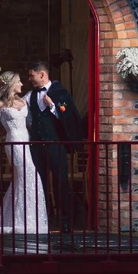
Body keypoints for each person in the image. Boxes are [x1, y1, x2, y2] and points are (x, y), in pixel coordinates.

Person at [0, 72, 48, 236]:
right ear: (12, 84)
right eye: (19, 81)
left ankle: (28, 220)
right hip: (14, 144)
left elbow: (29, 122)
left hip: (26, 143)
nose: (21, 83)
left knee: (25, 180)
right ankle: (22, 221)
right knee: (29, 176)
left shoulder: (22, 101)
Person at [23, 60, 86, 233]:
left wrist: (53, 106)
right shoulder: (29, 96)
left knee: (61, 184)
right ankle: (42, 222)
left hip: (56, 147)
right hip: (37, 147)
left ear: (42, 74)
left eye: (31, 75)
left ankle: (65, 222)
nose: (30, 79)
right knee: (39, 184)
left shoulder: (61, 93)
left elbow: (69, 115)